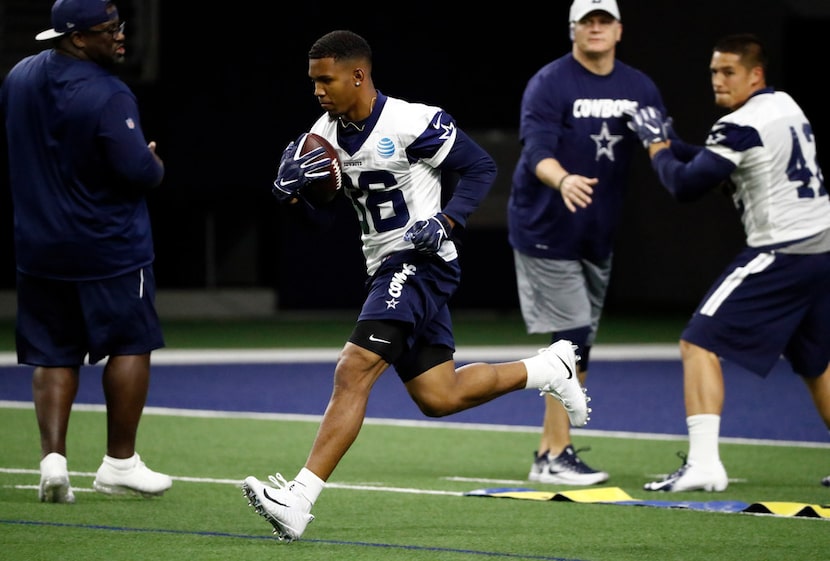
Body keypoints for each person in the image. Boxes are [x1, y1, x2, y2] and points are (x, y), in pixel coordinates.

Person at [241, 29, 590, 542]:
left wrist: (448, 220)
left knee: (353, 368)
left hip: (421, 260)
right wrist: (294, 200)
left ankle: (300, 497)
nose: (317, 90)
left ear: (358, 75)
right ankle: (548, 367)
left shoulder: (410, 120)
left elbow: (479, 166)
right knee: (438, 395)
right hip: (384, 266)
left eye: (326, 79)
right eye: (313, 81)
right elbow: (323, 222)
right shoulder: (324, 135)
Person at [626, 33, 830, 491]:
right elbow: (717, 163)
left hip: (783, 250)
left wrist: (657, 145)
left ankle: (703, 464)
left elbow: (684, 186)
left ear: (755, 74)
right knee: (817, 362)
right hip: (821, 249)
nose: (718, 80)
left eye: (728, 72)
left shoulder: (738, 124)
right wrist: (672, 142)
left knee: (698, 343)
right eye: (714, 71)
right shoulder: (786, 105)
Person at [0, 0, 173, 502]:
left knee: (54, 353)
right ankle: (120, 463)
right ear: (77, 37)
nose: (121, 37)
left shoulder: (18, 77)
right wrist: (153, 162)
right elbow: (138, 171)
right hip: (108, 248)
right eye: (110, 30)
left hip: (38, 248)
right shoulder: (108, 92)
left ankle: (53, 461)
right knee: (130, 344)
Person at [507, 0, 667, 485]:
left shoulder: (639, 87)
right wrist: (563, 181)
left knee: (581, 344)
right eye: (587, 21)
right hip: (545, 226)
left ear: (618, 29)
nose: (595, 28)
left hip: (597, 232)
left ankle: (548, 452)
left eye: (604, 21)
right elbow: (535, 151)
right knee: (571, 339)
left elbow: (663, 147)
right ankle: (556, 455)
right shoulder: (550, 82)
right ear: (573, 29)